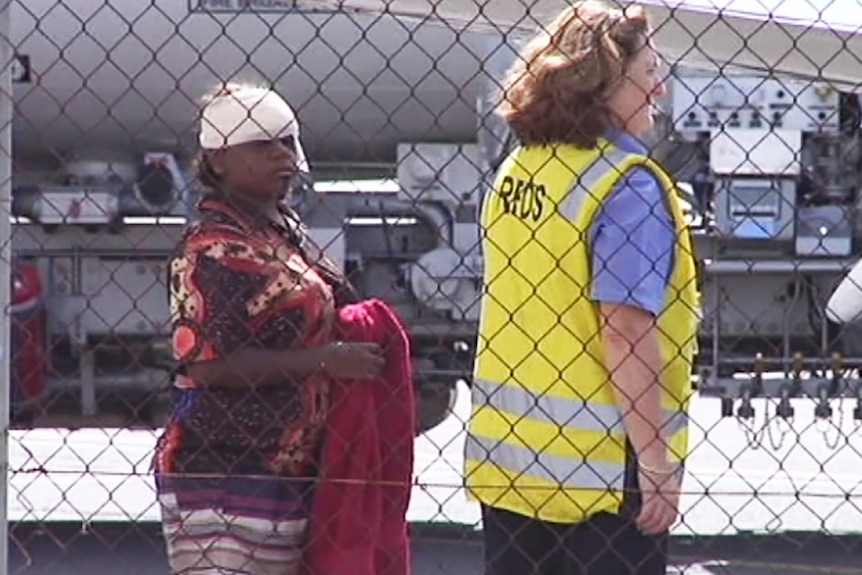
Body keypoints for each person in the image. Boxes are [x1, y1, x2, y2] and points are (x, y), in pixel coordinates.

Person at [463, 2, 701, 574]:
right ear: (605, 83)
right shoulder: (627, 186)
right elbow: (623, 330)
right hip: (601, 482)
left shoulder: (521, 167)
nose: (661, 90)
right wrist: (655, 464)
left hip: (513, 466)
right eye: (649, 74)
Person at [151, 81, 386, 575]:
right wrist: (324, 360)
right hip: (224, 467)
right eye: (262, 144)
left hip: (283, 467)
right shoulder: (213, 247)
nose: (283, 155)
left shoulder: (279, 229)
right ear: (217, 161)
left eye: (289, 141)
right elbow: (210, 365)